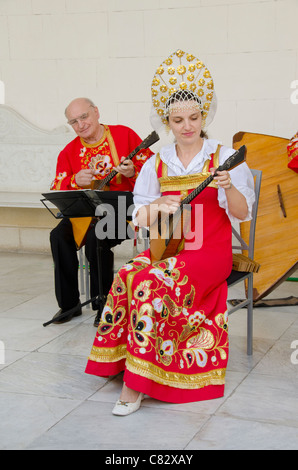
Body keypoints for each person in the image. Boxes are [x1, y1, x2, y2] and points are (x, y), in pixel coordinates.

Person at [85, 50, 255, 415]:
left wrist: (227, 186)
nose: (187, 126)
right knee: (129, 273)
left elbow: (242, 214)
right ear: (168, 121)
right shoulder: (157, 162)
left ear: (203, 116)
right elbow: (138, 218)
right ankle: (123, 361)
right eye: (178, 120)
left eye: (194, 117)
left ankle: (138, 383)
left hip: (210, 252)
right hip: (172, 248)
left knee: (151, 283)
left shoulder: (222, 156)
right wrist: (156, 206)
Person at [50, 97, 152, 327]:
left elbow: (154, 173)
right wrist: (74, 181)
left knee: (99, 235)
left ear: (96, 112)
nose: (81, 125)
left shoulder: (124, 135)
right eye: (73, 122)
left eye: (84, 117)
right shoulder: (69, 151)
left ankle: (104, 304)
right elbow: (57, 188)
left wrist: (132, 172)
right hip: (86, 214)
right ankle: (69, 305)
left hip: (122, 212)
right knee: (58, 235)